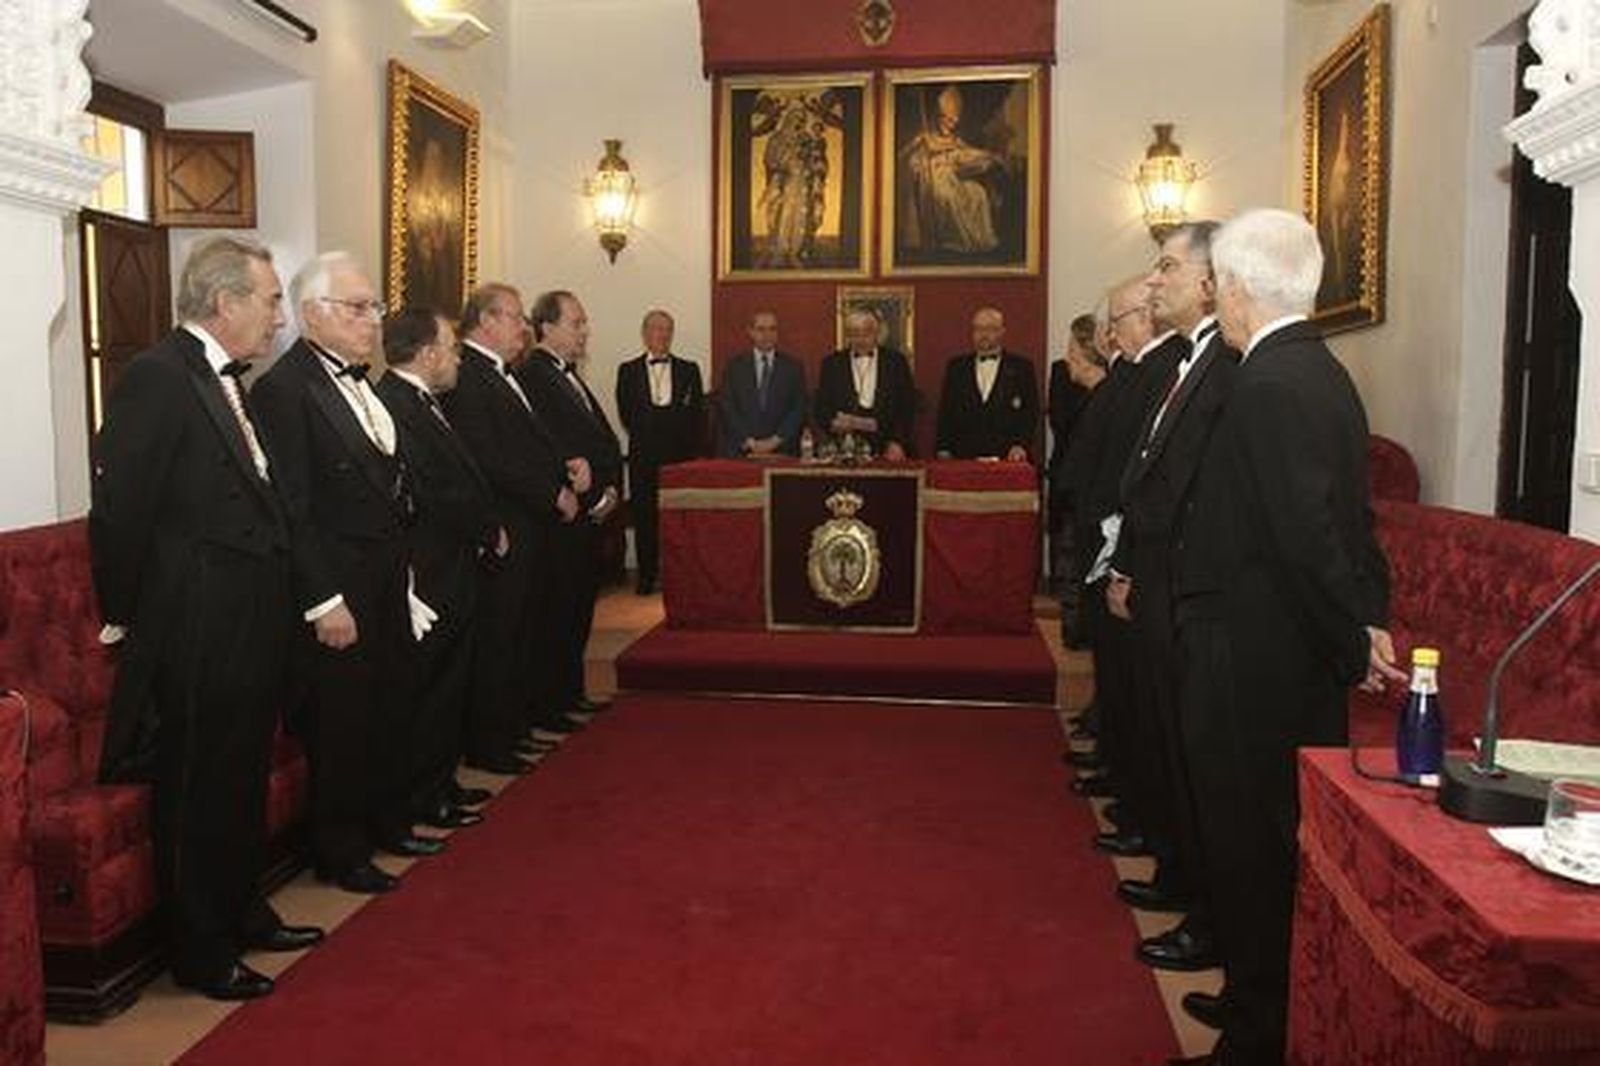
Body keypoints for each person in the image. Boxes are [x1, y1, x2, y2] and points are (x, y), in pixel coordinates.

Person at [1171, 208, 1401, 1066]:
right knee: (1263, 842)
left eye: (1216, 287)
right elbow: (1354, 524)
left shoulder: (1268, 383)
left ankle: (1258, 1035)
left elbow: (1308, 535)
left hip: (1254, 659)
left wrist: (1354, 635)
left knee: (1251, 848)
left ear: (1233, 290)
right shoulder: (1323, 374)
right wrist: (1364, 619)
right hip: (1282, 650)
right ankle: (1254, 1005)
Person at [89, 235, 321, 1001]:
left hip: (248, 618)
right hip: (193, 624)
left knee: (239, 775)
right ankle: (199, 949)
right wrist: (128, 617)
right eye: (270, 300)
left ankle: (242, 909)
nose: (279, 317)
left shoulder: (227, 379)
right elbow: (121, 511)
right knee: (197, 789)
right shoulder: (157, 377)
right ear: (225, 303)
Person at [251, 252, 427, 896]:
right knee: (342, 720)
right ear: (311, 314)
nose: (372, 321)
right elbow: (291, 507)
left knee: (387, 704)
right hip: (336, 586)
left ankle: (388, 821)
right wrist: (324, 599)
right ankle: (340, 848)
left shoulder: (366, 384)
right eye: (358, 308)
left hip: (383, 573)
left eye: (374, 307)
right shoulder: (281, 390)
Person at [1103, 223, 1240, 991]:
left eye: (1166, 267)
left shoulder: (1234, 368)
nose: (1155, 284)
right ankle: (1183, 883)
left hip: (1190, 594)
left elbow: (1192, 493)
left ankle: (1203, 910)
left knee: (1191, 759)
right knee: (1167, 741)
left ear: (1214, 281)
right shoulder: (1195, 364)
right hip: (1153, 579)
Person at [375, 308, 500, 831]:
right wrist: (482, 524)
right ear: (426, 353)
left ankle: (439, 782)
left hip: (452, 562)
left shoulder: (425, 401)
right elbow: (428, 489)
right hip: (429, 567)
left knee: (450, 683)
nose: (457, 358)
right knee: (428, 689)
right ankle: (422, 795)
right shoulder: (396, 403)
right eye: (451, 347)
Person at [444, 284, 577, 775]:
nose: (524, 326)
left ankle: (512, 728)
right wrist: (550, 493)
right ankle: (491, 742)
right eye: (515, 317)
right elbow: (490, 458)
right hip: (506, 525)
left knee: (520, 631)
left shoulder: (503, 374)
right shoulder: (470, 377)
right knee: (499, 636)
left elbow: (528, 446)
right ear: (485, 321)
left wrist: (561, 469)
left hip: (528, 525)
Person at [517, 290, 622, 727]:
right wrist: (593, 490)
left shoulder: (567, 374)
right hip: (563, 519)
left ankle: (569, 693)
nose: (584, 331)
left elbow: (600, 441)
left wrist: (608, 490)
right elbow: (551, 446)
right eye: (576, 323)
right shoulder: (536, 375)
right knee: (558, 614)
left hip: (588, 511)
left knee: (578, 609)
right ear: (547, 327)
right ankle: (552, 702)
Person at [615, 309, 705, 595]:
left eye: (667, 329)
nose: (663, 334)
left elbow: (696, 416)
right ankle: (646, 577)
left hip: (680, 459)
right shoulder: (627, 371)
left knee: (679, 519)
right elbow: (627, 415)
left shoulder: (689, 369)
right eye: (656, 329)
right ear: (645, 334)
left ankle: (680, 577)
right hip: (643, 458)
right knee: (645, 518)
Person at [900, 84, 1005, 254]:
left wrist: (990, 156)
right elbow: (906, 158)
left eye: (952, 121)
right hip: (932, 179)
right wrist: (919, 161)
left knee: (977, 193)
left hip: (953, 178)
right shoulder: (925, 138)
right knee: (946, 196)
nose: (950, 125)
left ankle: (977, 241)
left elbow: (968, 153)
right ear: (938, 117)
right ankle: (950, 240)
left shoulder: (954, 140)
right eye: (946, 120)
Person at [934, 307, 1039, 461]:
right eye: (978, 329)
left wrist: (1021, 445)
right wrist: (943, 447)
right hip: (963, 456)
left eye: (990, 329)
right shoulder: (956, 367)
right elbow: (946, 410)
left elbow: (1031, 411)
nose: (983, 335)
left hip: (1007, 456)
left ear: (1002, 331)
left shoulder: (1022, 367)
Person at [814, 309, 917, 459]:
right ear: (848, 336)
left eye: (866, 333)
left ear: (877, 334)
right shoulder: (832, 364)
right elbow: (821, 406)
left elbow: (907, 406)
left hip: (887, 445)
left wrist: (897, 442)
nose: (860, 339)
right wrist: (833, 424)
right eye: (855, 333)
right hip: (844, 448)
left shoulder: (896, 362)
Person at [1047, 314, 1096, 592]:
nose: (1067, 356)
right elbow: (1059, 419)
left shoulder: (1108, 390)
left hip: (1091, 489)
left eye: (1072, 349)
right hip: (1067, 472)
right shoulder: (1060, 372)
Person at [719, 310, 807, 457]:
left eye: (772, 329)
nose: (767, 335)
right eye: (761, 329)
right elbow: (728, 408)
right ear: (750, 332)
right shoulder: (734, 367)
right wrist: (750, 442)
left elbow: (798, 409)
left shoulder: (793, 367)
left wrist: (775, 441)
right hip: (743, 451)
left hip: (783, 450)